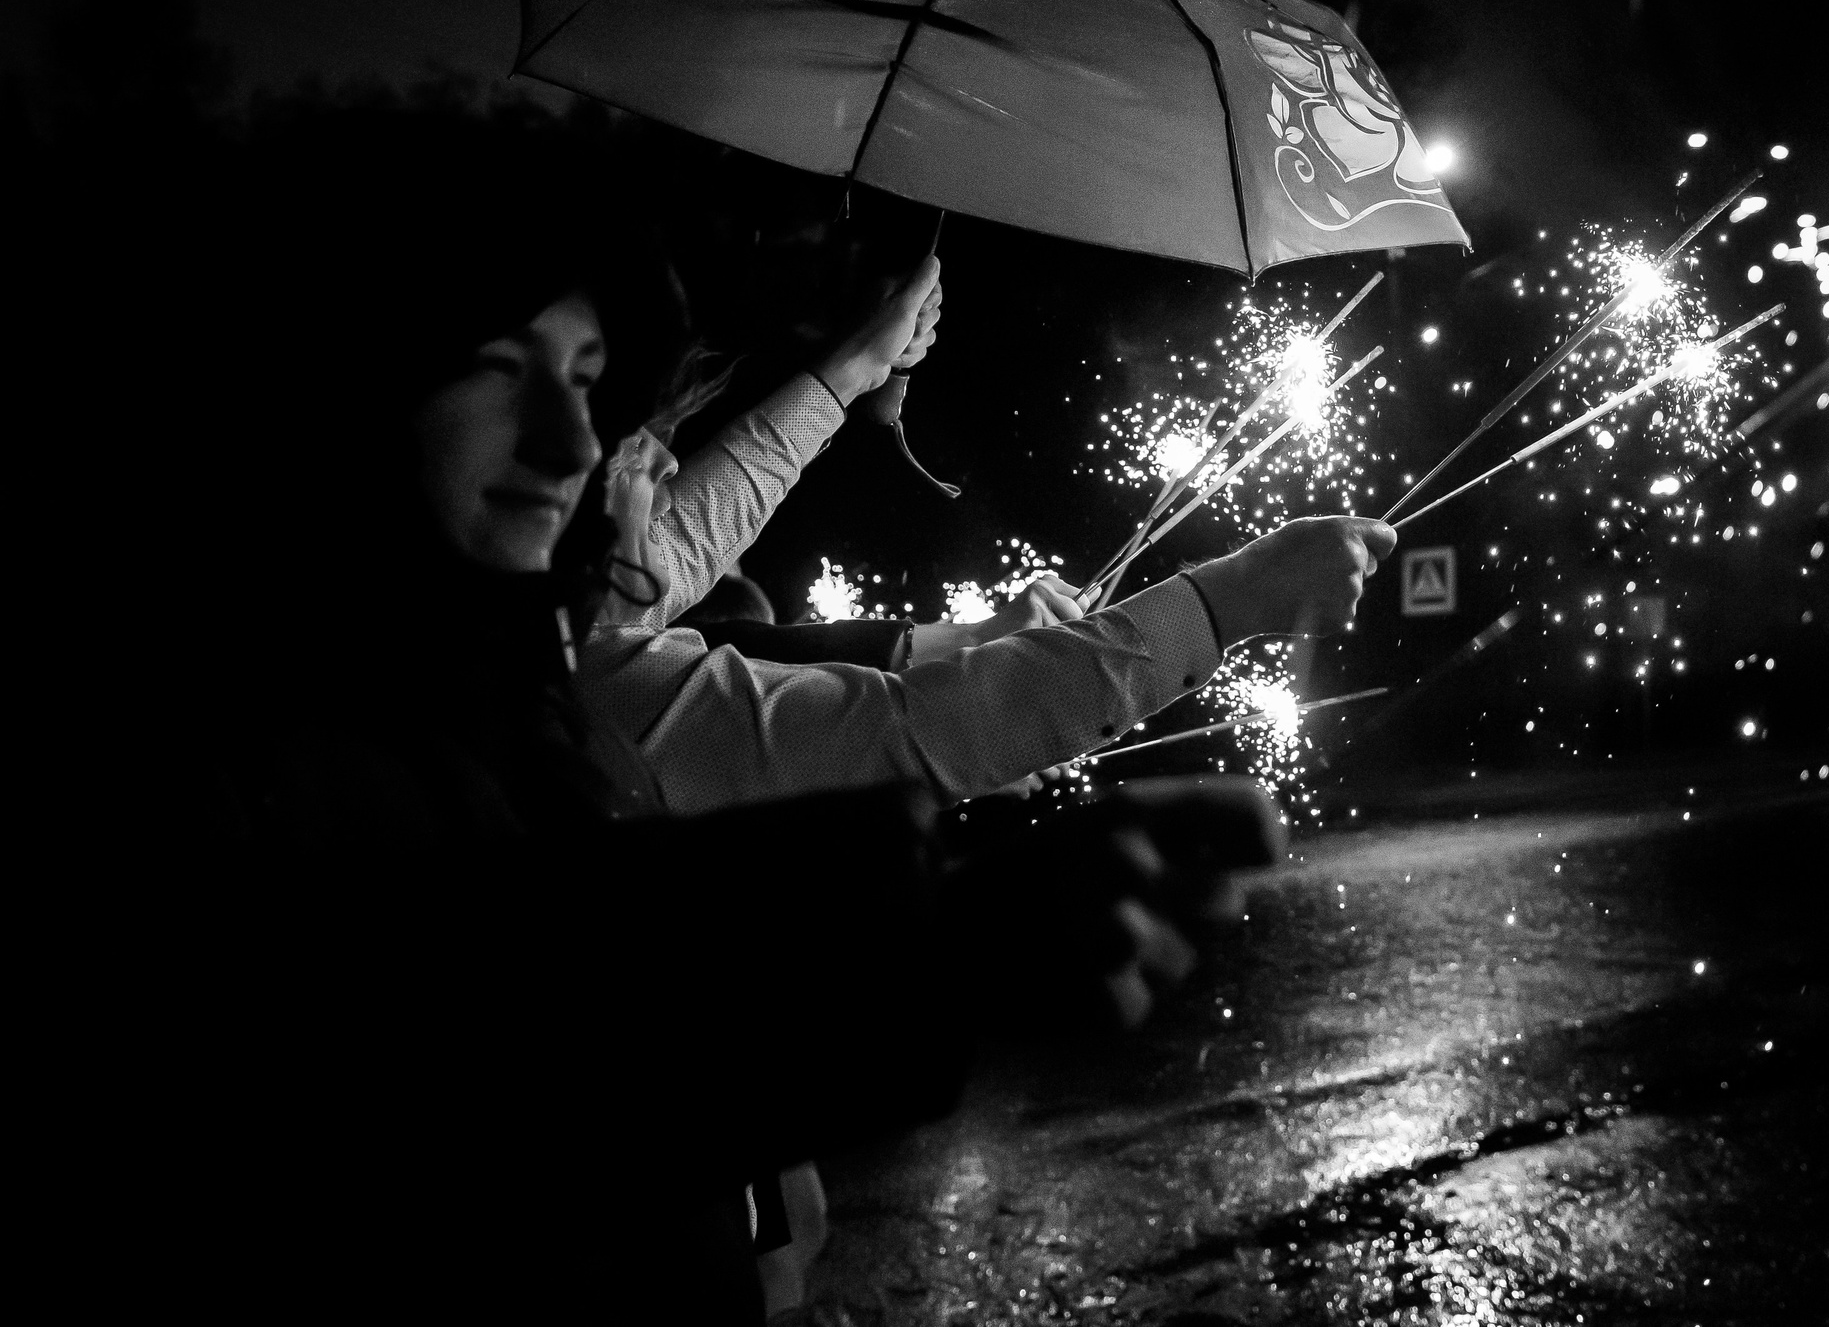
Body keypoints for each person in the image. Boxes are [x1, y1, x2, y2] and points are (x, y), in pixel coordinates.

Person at [100, 111, 1288, 1322]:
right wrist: (949, 934)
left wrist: (852, 382)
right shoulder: (282, 746)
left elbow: (708, 577)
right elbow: (475, 1040)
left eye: (587, 382)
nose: (582, 446)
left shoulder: (501, 668)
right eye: (506, 374)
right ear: (357, 392)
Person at [584, 255, 1396, 816]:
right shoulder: (597, 690)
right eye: (629, 431)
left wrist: (851, 372)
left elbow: (683, 540)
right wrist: (1228, 601)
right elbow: (916, 730)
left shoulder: (584, 625)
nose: (663, 459)